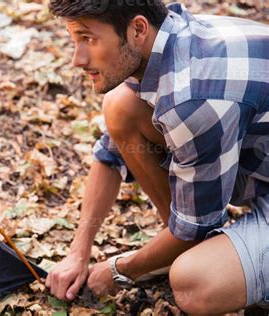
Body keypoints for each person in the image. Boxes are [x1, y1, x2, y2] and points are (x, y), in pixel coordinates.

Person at [44, 0, 269, 313]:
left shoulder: (191, 102)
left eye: (88, 39)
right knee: (120, 106)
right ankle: (195, 249)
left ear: (137, 28)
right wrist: (77, 254)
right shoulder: (165, 39)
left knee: (195, 283)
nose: (77, 60)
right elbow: (110, 154)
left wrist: (118, 270)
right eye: (74, 40)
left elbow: (196, 228)